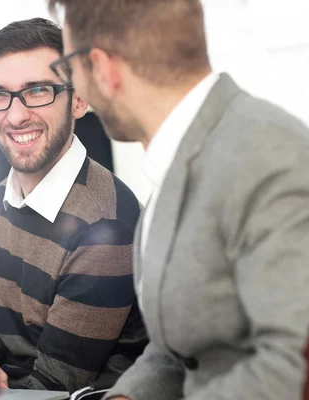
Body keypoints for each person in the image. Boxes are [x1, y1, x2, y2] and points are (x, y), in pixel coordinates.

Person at [47, 1, 309, 399]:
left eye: (69, 70)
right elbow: (179, 354)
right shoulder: (178, 163)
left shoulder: (269, 157)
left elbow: (291, 370)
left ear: (102, 68)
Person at [0, 18, 147, 396]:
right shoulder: (1, 196)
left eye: (38, 91)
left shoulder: (104, 229)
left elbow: (53, 388)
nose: (16, 116)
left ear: (79, 99)